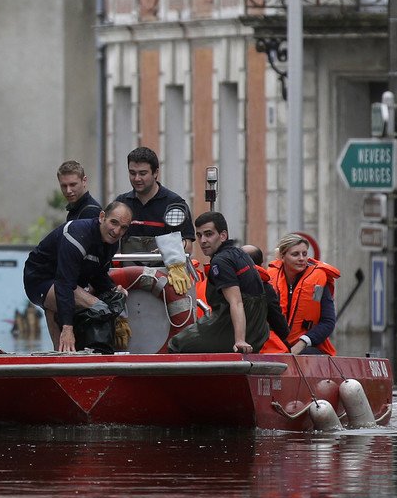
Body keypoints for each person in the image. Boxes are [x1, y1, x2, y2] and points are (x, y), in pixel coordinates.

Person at [23, 199, 134, 352]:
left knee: (109, 298)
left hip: (67, 281)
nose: (117, 231)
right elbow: (64, 284)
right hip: (39, 280)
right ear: (102, 217)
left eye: (123, 228)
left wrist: (114, 291)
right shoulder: (77, 236)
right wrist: (67, 329)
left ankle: (65, 351)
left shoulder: (112, 242)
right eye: (113, 223)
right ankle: (71, 348)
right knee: (98, 306)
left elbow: (98, 275)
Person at [165, 212, 271, 354]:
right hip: (258, 332)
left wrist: (240, 340)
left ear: (223, 235)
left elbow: (236, 302)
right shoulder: (240, 254)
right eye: (199, 235)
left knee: (176, 344)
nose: (203, 240)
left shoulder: (220, 262)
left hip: (233, 327)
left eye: (209, 234)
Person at [114, 147, 195, 301]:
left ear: (156, 172)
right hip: (128, 284)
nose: (137, 178)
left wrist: (168, 247)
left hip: (166, 282)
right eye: (132, 173)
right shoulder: (121, 204)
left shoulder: (175, 204)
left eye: (143, 173)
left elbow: (188, 246)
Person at [265, 233, 339, 355]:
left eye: (304, 254)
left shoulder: (318, 283)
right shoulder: (270, 279)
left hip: (310, 347)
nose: (301, 258)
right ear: (282, 257)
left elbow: (328, 321)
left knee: (308, 354)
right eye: (295, 254)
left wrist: (303, 343)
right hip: (276, 346)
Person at [241, 244, 293, 353]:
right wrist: (287, 338)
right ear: (261, 263)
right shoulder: (264, 287)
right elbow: (276, 319)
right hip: (261, 347)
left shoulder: (223, 282)